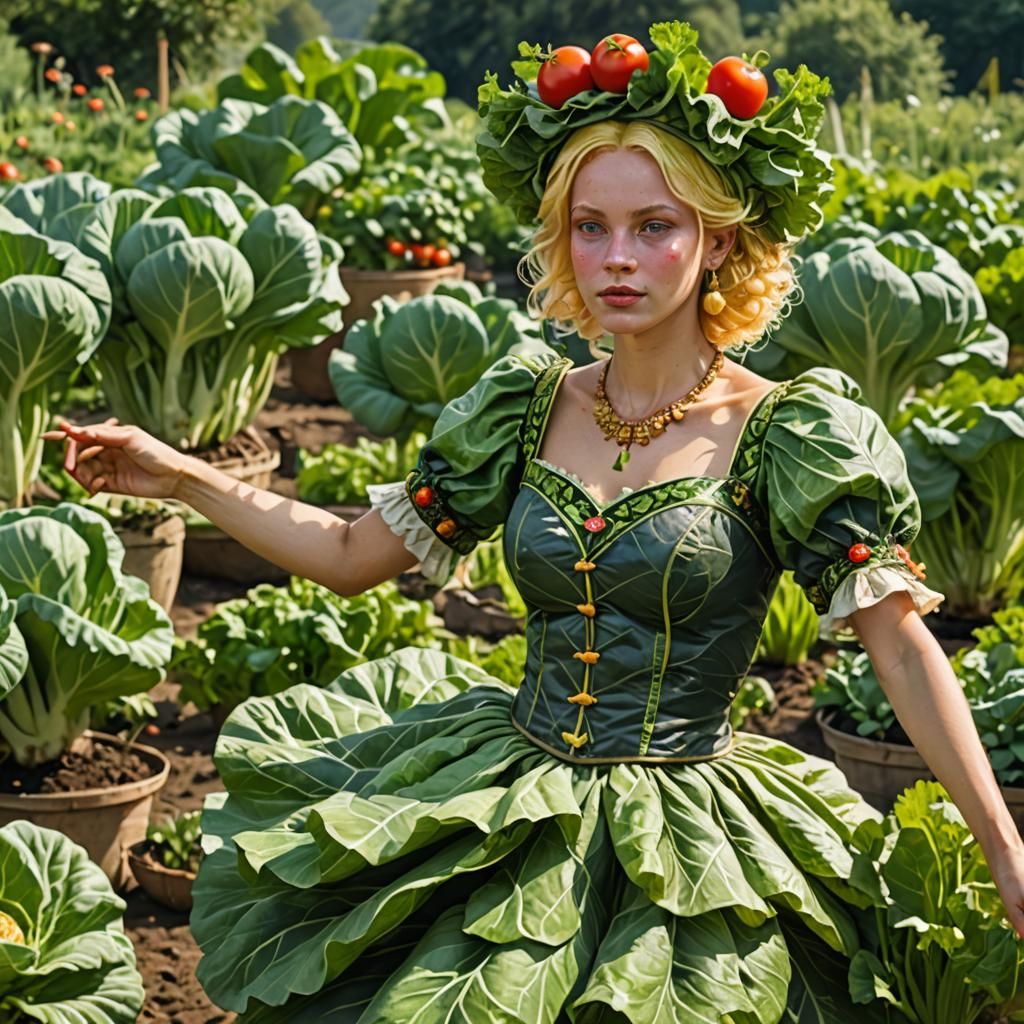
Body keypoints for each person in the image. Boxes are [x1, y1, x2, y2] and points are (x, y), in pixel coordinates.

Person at [46, 22, 1024, 1020]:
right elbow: (348, 555)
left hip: (694, 832)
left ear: (718, 238)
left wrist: (1004, 845)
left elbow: (901, 652)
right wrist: (179, 479)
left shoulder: (789, 430)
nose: (617, 258)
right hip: (509, 800)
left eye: (655, 226)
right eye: (589, 227)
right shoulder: (524, 405)